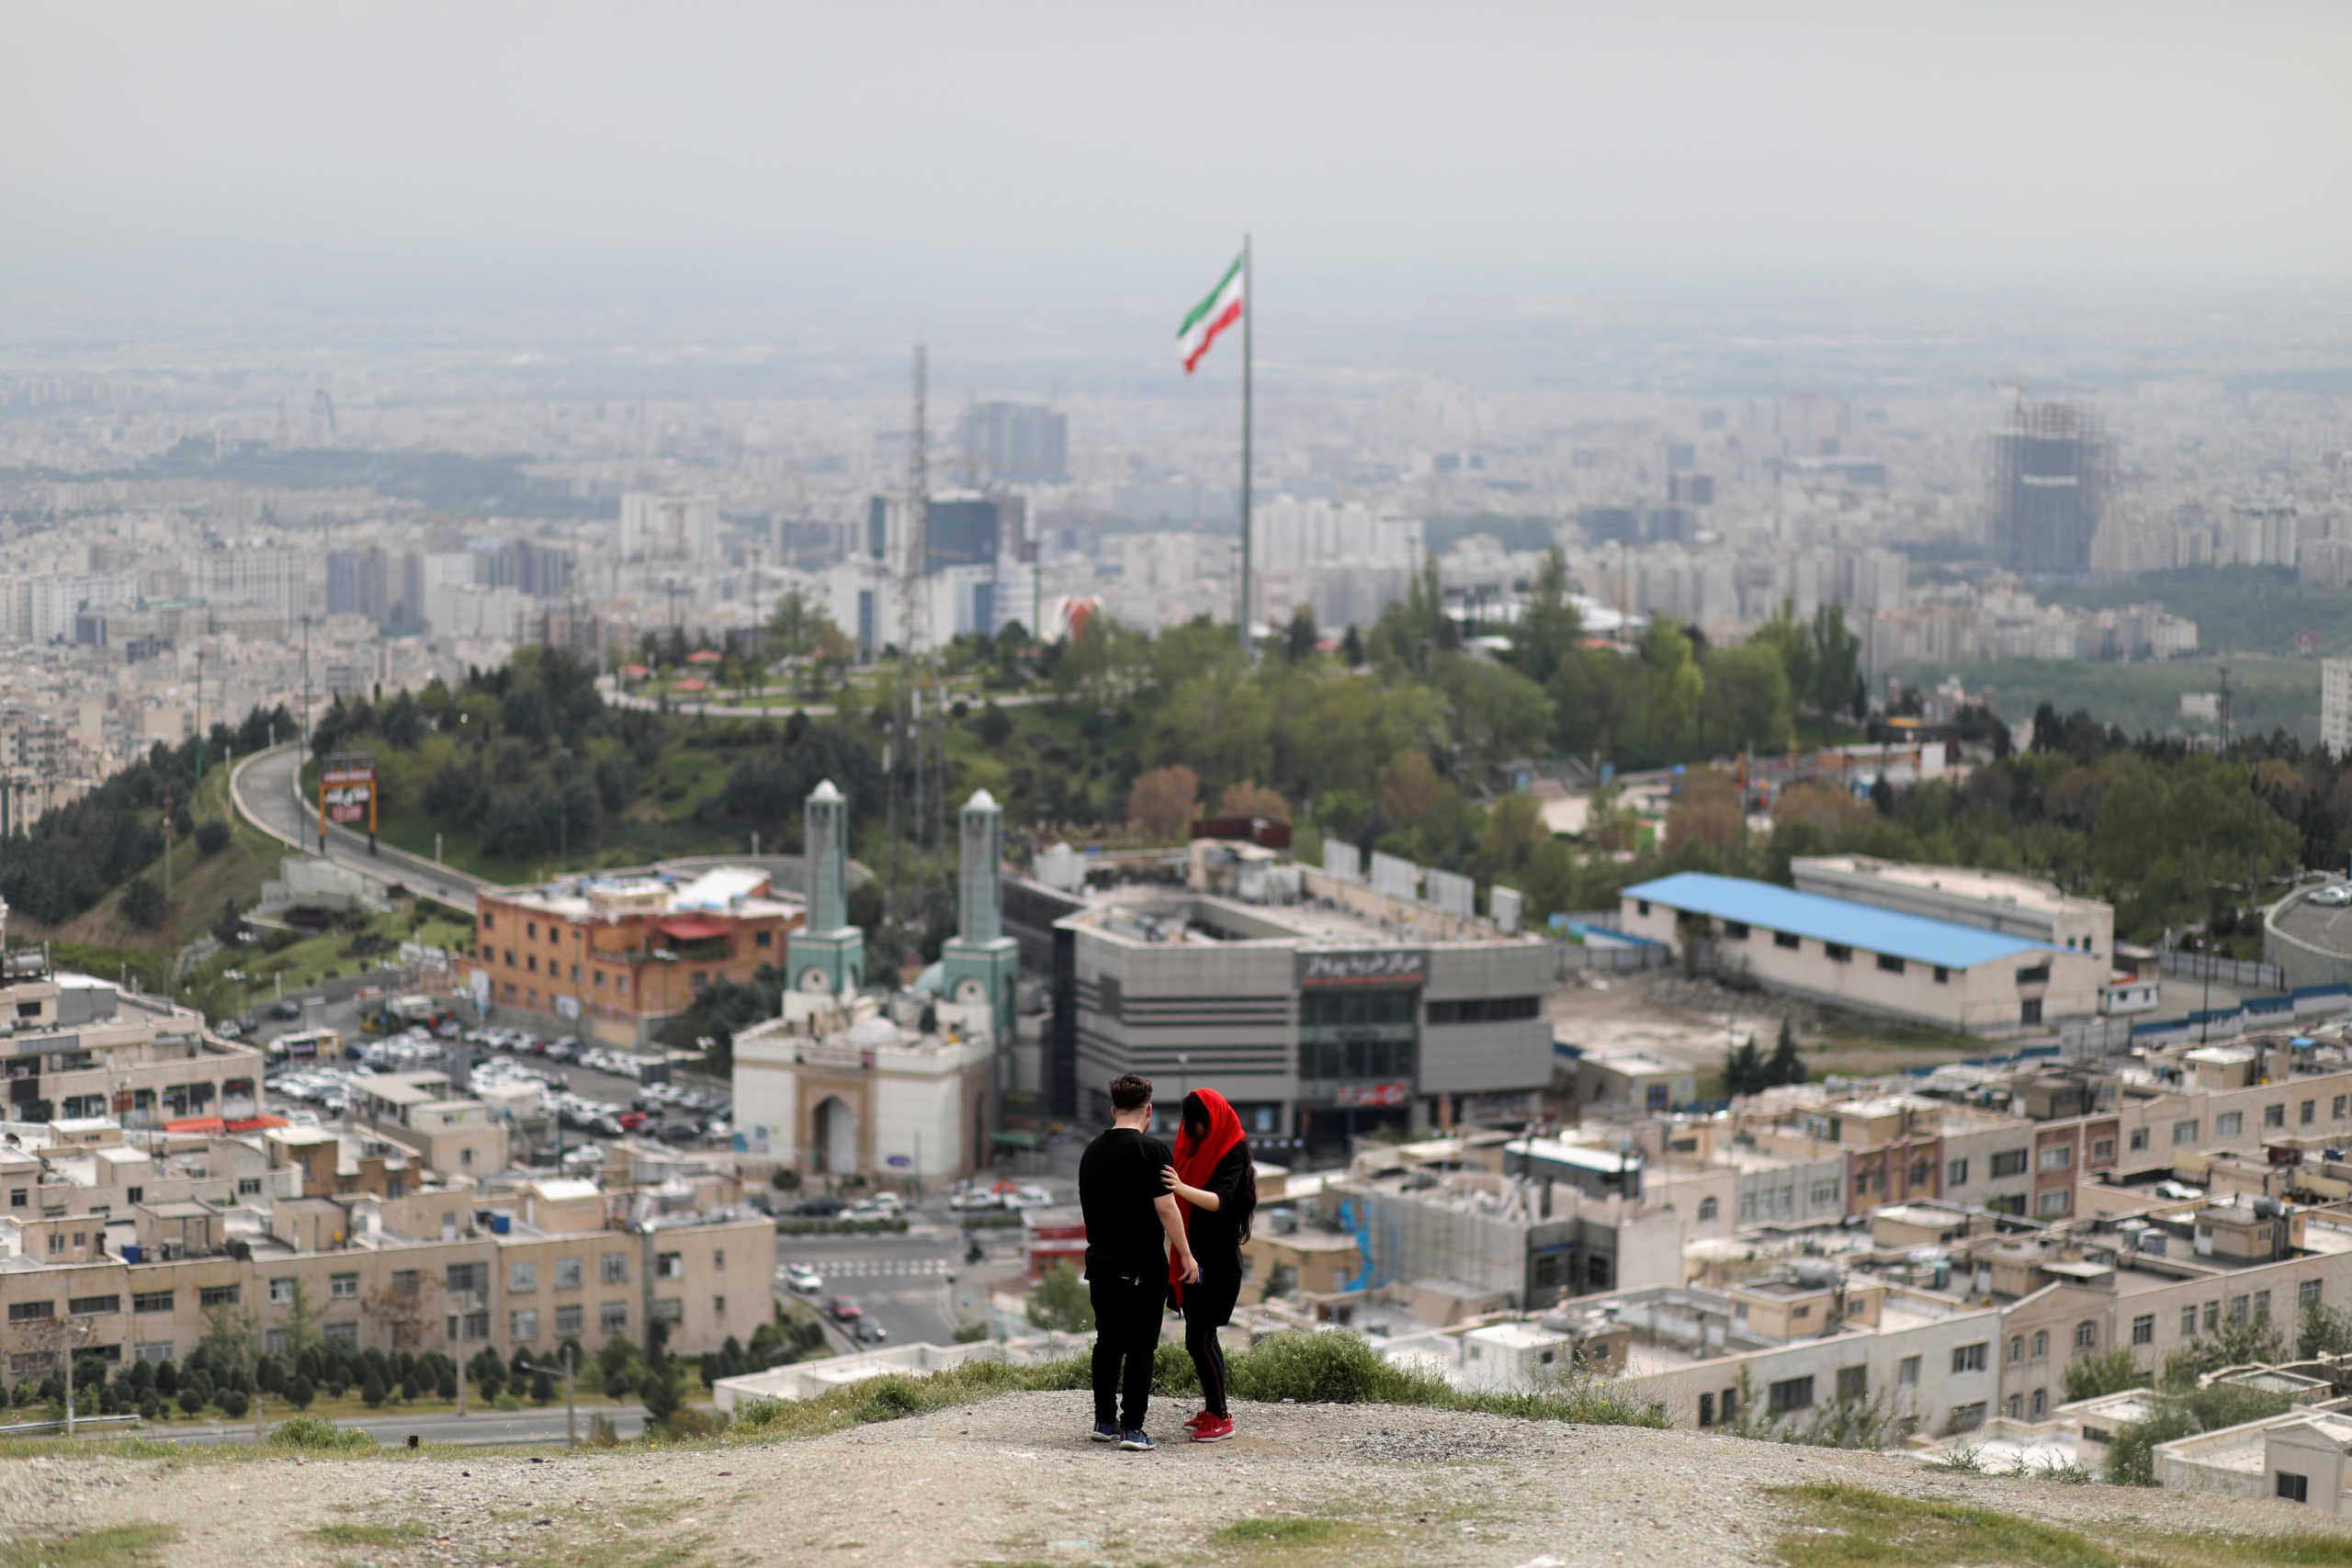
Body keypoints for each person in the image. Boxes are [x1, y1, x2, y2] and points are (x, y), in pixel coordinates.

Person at [1078, 1073, 1198, 1452]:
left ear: (1113, 1110)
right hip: (1143, 1264)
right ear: (1149, 1110)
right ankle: (1133, 1429)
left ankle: (1104, 1420)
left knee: (1108, 1341)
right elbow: (1166, 1207)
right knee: (1142, 1346)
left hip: (1100, 1261)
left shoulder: (1091, 1151)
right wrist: (1187, 1253)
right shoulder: (1153, 1151)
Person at [1161, 1088, 1257, 1443]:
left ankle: (1221, 1415)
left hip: (1216, 1262)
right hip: (1197, 1256)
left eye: (1198, 1125)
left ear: (1211, 1123)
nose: (1193, 1132)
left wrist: (1180, 1188)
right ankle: (1213, 1409)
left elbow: (1222, 1202)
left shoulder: (1231, 1154)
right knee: (1200, 1338)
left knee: (1200, 1339)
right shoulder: (1198, 1149)